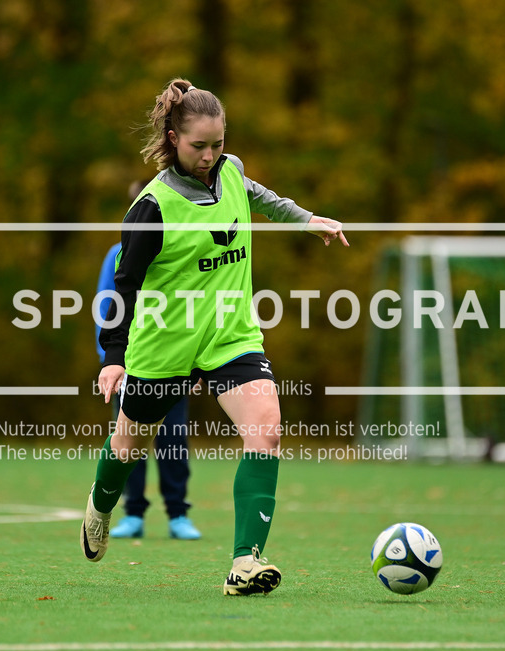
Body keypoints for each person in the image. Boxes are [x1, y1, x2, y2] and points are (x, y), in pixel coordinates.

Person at [81, 78, 348, 596]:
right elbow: (124, 286)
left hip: (230, 333)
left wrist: (303, 219)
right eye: (198, 146)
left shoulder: (230, 171)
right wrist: (114, 357)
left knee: (266, 429)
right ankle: (100, 503)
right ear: (173, 138)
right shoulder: (152, 208)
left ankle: (245, 563)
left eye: (218, 144)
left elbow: (255, 194)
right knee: (128, 445)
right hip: (164, 341)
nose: (210, 156)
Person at [95, 180, 201, 541]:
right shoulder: (117, 253)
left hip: (177, 360)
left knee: (173, 439)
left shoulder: (187, 250)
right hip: (132, 364)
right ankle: (133, 512)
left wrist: (200, 357)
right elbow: (108, 303)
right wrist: (111, 359)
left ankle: (177, 514)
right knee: (128, 444)